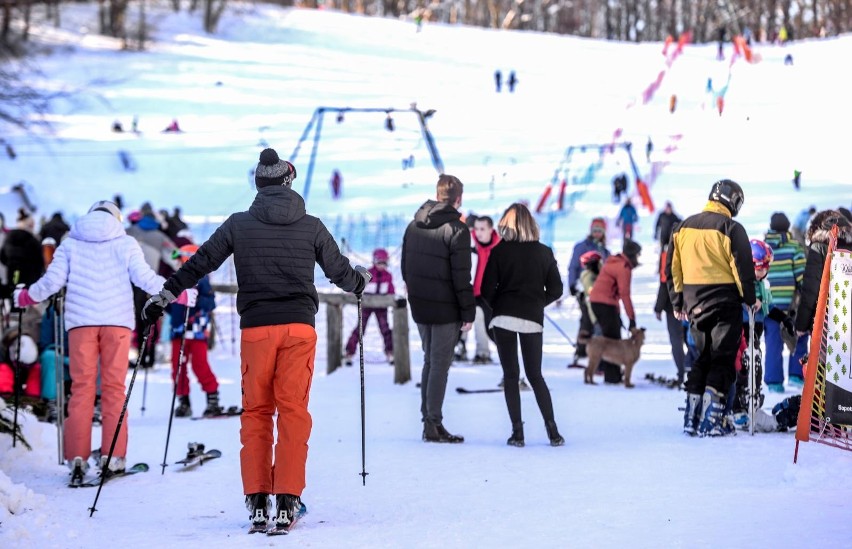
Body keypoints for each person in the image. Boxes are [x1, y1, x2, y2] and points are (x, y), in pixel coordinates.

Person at [140, 148, 369, 533]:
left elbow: (200, 263)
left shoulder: (238, 224)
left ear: (259, 186)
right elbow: (342, 275)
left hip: (257, 330)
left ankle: (258, 500)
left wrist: (165, 295)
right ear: (288, 183)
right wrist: (360, 280)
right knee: (293, 412)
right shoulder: (311, 225)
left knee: (257, 412)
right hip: (299, 329)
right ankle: (287, 501)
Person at [13, 201, 166, 481]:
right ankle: (114, 456)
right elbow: (145, 279)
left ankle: (78, 459)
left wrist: (25, 297)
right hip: (117, 324)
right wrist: (177, 292)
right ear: (116, 218)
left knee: (82, 390)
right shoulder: (126, 242)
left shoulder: (71, 244)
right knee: (114, 390)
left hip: (80, 324)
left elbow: (50, 283)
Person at [667, 179, 756, 437]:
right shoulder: (731, 228)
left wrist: (677, 301)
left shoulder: (681, 227)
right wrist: (750, 299)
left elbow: (672, 269)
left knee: (701, 357)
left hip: (694, 303)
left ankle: (691, 416)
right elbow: (743, 270)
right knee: (723, 358)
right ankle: (712, 418)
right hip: (725, 301)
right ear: (734, 202)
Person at [480, 203, 564, 447]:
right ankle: (553, 431)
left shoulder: (499, 252)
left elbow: (486, 290)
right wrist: (537, 304)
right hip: (532, 318)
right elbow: (557, 290)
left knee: (510, 375)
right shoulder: (544, 252)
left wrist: (501, 305)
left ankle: (517, 434)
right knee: (535, 375)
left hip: (503, 318)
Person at [401, 174, 475, 444]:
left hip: (420, 303)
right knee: (440, 365)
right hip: (446, 308)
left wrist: (413, 292)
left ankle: (428, 419)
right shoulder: (457, 229)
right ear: (458, 198)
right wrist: (468, 312)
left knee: (430, 361)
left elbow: (404, 265)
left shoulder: (413, 225)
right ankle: (433, 424)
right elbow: (461, 276)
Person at [168, 244, 221, 418]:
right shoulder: (174, 279)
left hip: (196, 331)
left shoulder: (202, 280)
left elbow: (210, 302)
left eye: (179, 260)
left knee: (200, 364)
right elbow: (171, 304)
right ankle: (184, 401)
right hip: (178, 331)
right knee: (178, 366)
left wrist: (197, 305)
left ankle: (212, 398)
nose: (177, 264)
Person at [763, 213, 807, 391]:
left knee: (773, 343)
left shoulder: (764, 247)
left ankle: (774, 382)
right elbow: (802, 277)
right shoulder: (794, 247)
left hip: (769, 306)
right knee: (799, 338)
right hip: (791, 307)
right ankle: (796, 376)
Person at [589, 239, 642, 384]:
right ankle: (612, 377)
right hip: (604, 303)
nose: (638, 258)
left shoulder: (615, 261)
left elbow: (613, 291)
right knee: (613, 340)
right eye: (637, 255)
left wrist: (617, 313)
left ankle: (613, 375)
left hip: (599, 302)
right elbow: (624, 294)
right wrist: (631, 318)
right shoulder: (624, 267)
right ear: (632, 255)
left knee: (610, 337)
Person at [794, 210, 852, 338]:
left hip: (827, 325)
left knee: (826, 357)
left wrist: (801, 324)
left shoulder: (819, 247)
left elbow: (811, 290)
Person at [566, 218, 610, 363]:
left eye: (600, 231)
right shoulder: (582, 246)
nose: (597, 233)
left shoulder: (605, 251)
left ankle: (587, 349)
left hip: (600, 292)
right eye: (595, 230)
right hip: (583, 288)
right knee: (587, 318)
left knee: (593, 319)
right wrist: (572, 284)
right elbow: (573, 266)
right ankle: (581, 351)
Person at [344, 248, 395, 366]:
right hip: (367, 305)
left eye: (384, 263)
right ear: (374, 262)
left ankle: (390, 352)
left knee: (385, 329)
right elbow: (358, 284)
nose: (381, 266)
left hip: (381, 306)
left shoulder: (388, 276)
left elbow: (391, 290)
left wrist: (392, 300)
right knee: (360, 328)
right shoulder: (368, 273)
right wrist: (351, 291)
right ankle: (349, 352)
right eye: (379, 263)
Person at [654, 243, 685, 384]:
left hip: (673, 306)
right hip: (692, 303)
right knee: (692, 339)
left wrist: (658, 307)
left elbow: (664, 282)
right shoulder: (690, 250)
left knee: (676, 340)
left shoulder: (667, 255)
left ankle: (682, 371)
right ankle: (692, 367)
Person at [471, 215, 500, 363]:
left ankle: (507, 354)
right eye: (476, 229)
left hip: (491, 295)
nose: (478, 232)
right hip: (472, 293)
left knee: (492, 328)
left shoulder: (500, 247)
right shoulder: (471, 244)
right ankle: (482, 352)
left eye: (482, 229)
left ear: (490, 229)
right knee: (475, 318)